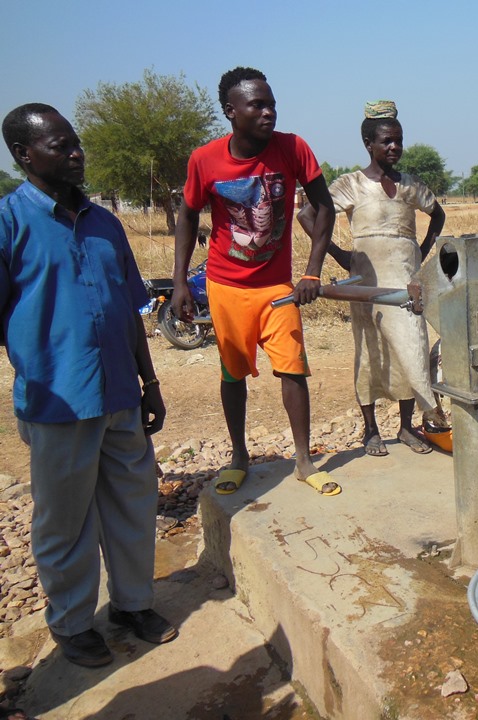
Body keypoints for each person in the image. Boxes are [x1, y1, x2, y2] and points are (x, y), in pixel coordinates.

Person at [0, 104, 176, 667]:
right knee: (65, 520)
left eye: (76, 142)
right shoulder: (9, 222)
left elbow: (129, 311)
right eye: (60, 145)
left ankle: (132, 604)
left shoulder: (106, 223)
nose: (76, 152)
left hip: (121, 392)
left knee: (132, 503)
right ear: (25, 156)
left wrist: (149, 380)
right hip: (58, 401)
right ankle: (73, 623)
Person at [172, 67, 337, 495]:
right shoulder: (204, 160)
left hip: (277, 287)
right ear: (231, 112)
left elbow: (325, 208)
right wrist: (178, 283)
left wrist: (312, 271)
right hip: (225, 285)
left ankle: (303, 461)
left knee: (293, 369)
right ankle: (239, 456)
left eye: (272, 103)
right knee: (232, 374)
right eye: (257, 105)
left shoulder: (293, 147)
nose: (269, 112)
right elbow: (188, 216)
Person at [299, 101, 444, 456]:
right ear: (368, 144)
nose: (394, 147)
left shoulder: (410, 185)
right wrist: (340, 255)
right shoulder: (351, 185)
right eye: (386, 142)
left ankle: (408, 427)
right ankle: (370, 430)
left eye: (399, 141)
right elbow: (307, 214)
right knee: (370, 350)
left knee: (411, 347)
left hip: (406, 281)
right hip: (366, 280)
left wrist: (421, 252)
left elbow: (437, 215)